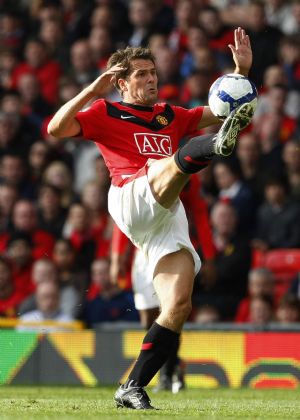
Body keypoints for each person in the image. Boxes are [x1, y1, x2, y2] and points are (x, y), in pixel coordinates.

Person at [47, 27, 254, 409]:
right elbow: (56, 128)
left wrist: (240, 72)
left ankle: (132, 386)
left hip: (165, 215)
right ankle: (212, 147)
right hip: (130, 196)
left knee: (178, 305)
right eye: (141, 73)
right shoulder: (105, 111)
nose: (151, 78)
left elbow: (223, 108)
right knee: (168, 162)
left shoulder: (170, 115)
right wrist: (92, 92)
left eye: (153, 71)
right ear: (121, 83)